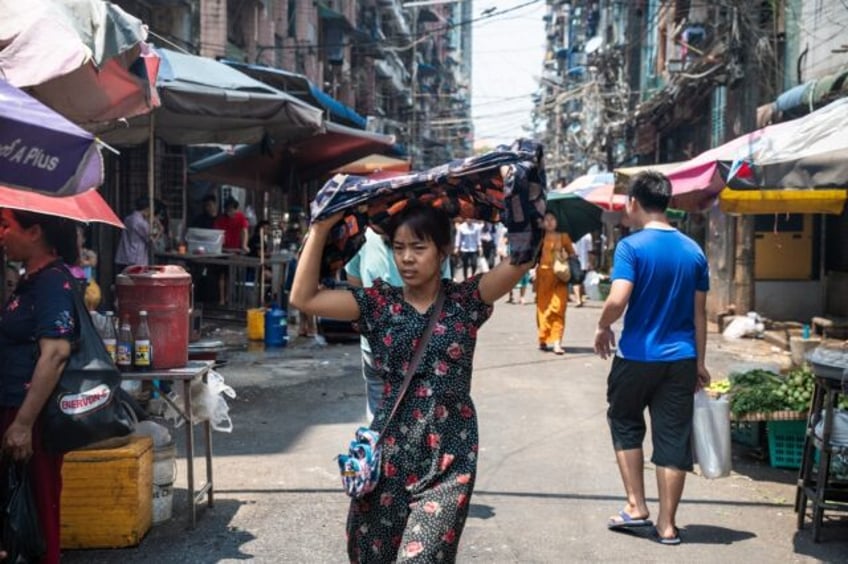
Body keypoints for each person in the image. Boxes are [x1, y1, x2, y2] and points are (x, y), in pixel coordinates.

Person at [290, 200, 537, 563]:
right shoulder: (378, 304)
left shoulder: (466, 300)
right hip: (389, 455)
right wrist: (320, 230)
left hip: (450, 457)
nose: (406, 258)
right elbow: (303, 297)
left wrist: (527, 200)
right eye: (399, 247)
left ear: (444, 251)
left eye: (419, 248)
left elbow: (522, 259)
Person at [593, 171, 710, 545]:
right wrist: (700, 362)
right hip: (682, 359)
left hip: (637, 356)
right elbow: (699, 315)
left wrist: (602, 325)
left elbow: (617, 298)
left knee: (625, 420)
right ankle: (668, 525)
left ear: (634, 202)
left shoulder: (632, 247)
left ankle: (636, 505)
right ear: (668, 202)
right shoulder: (694, 250)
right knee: (673, 438)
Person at [0, 208, 82, 564]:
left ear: (34, 231)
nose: (1, 233)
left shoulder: (52, 281)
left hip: (31, 415)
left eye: (6, 225)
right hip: (14, 408)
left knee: (37, 516)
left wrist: (23, 424)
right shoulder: (30, 279)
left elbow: (56, 353)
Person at [345, 226, 451, 422]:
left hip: (381, 346)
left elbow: (353, 281)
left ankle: (381, 446)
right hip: (419, 345)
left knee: (380, 418)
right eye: (399, 248)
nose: (406, 258)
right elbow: (444, 289)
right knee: (424, 418)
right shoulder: (424, 235)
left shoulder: (362, 238)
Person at [535, 212, 575, 355]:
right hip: (543, 278)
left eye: (553, 219)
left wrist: (566, 255)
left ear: (557, 221)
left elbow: (572, 254)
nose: (550, 222)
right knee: (543, 310)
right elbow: (532, 257)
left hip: (559, 278)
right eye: (547, 220)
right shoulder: (539, 238)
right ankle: (543, 339)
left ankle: (557, 342)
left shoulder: (563, 237)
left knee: (559, 309)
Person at [213, 197, 250, 304]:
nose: (230, 212)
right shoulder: (221, 219)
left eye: (232, 210)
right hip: (223, 250)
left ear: (236, 209)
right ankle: (221, 299)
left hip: (236, 250)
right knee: (222, 275)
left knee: (231, 275)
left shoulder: (240, 217)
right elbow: (216, 234)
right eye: (228, 210)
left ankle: (229, 298)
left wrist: (244, 245)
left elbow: (244, 231)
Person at [114, 196, 157, 273]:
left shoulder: (128, 218)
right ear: (147, 209)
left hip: (125, 254)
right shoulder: (141, 222)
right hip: (136, 258)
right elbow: (149, 239)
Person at [572, 232, 593, 307]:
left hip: (578, 260)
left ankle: (579, 298)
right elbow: (590, 251)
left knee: (580, 279)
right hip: (580, 260)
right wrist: (590, 262)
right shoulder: (588, 235)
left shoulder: (572, 234)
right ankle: (578, 300)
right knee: (577, 280)